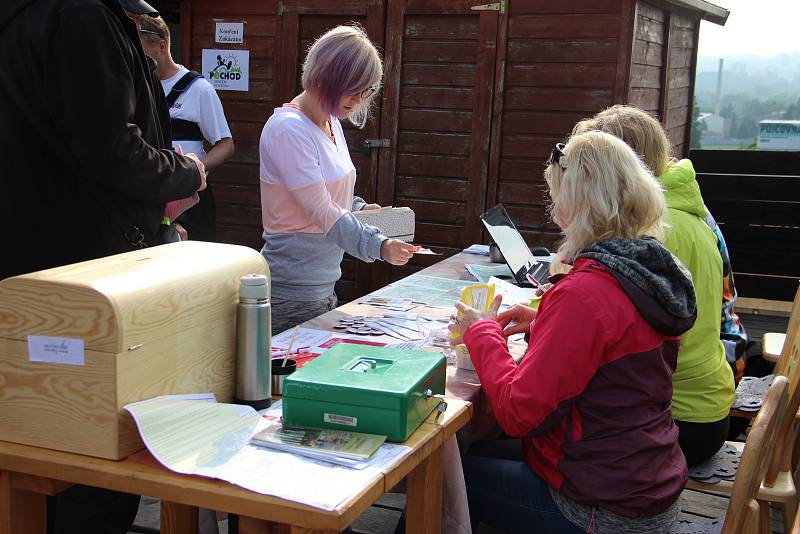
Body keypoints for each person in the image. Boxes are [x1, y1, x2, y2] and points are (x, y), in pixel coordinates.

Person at [0, 0, 206, 532]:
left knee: (36, 462)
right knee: (92, 476)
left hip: (33, 279)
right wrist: (186, 174)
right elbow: (111, 149)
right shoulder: (82, 17)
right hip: (84, 288)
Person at [449, 131, 695, 533]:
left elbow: (518, 414)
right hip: (644, 481)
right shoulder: (646, 270)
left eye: (556, 195)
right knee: (465, 455)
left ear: (576, 205)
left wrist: (481, 334)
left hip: (600, 509)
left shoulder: (585, 293)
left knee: (444, 476)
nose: (553, 207)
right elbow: (611, 352)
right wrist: (545, 322)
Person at [574, 105, 735, 466]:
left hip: (679, 419)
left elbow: (602, 333)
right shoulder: (687, 211)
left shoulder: (656, 231)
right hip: (706, 403)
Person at [259, 25, 415, 334]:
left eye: (366, 91)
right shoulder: (288, 129)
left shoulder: (331, 121)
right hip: (289, 294)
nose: (359, 100)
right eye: (354, 88)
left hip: (322, 288)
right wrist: (378, 246)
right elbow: (321, 211)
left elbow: (329, 198)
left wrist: (358, 208)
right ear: (325, 75)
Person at [139, 15, 235, 242]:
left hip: (190, 191)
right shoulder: (138, 85)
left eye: (141, 52)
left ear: (162, 46)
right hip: (152, 191)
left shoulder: (199, 89)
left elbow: (226, 145)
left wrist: (194, 168)